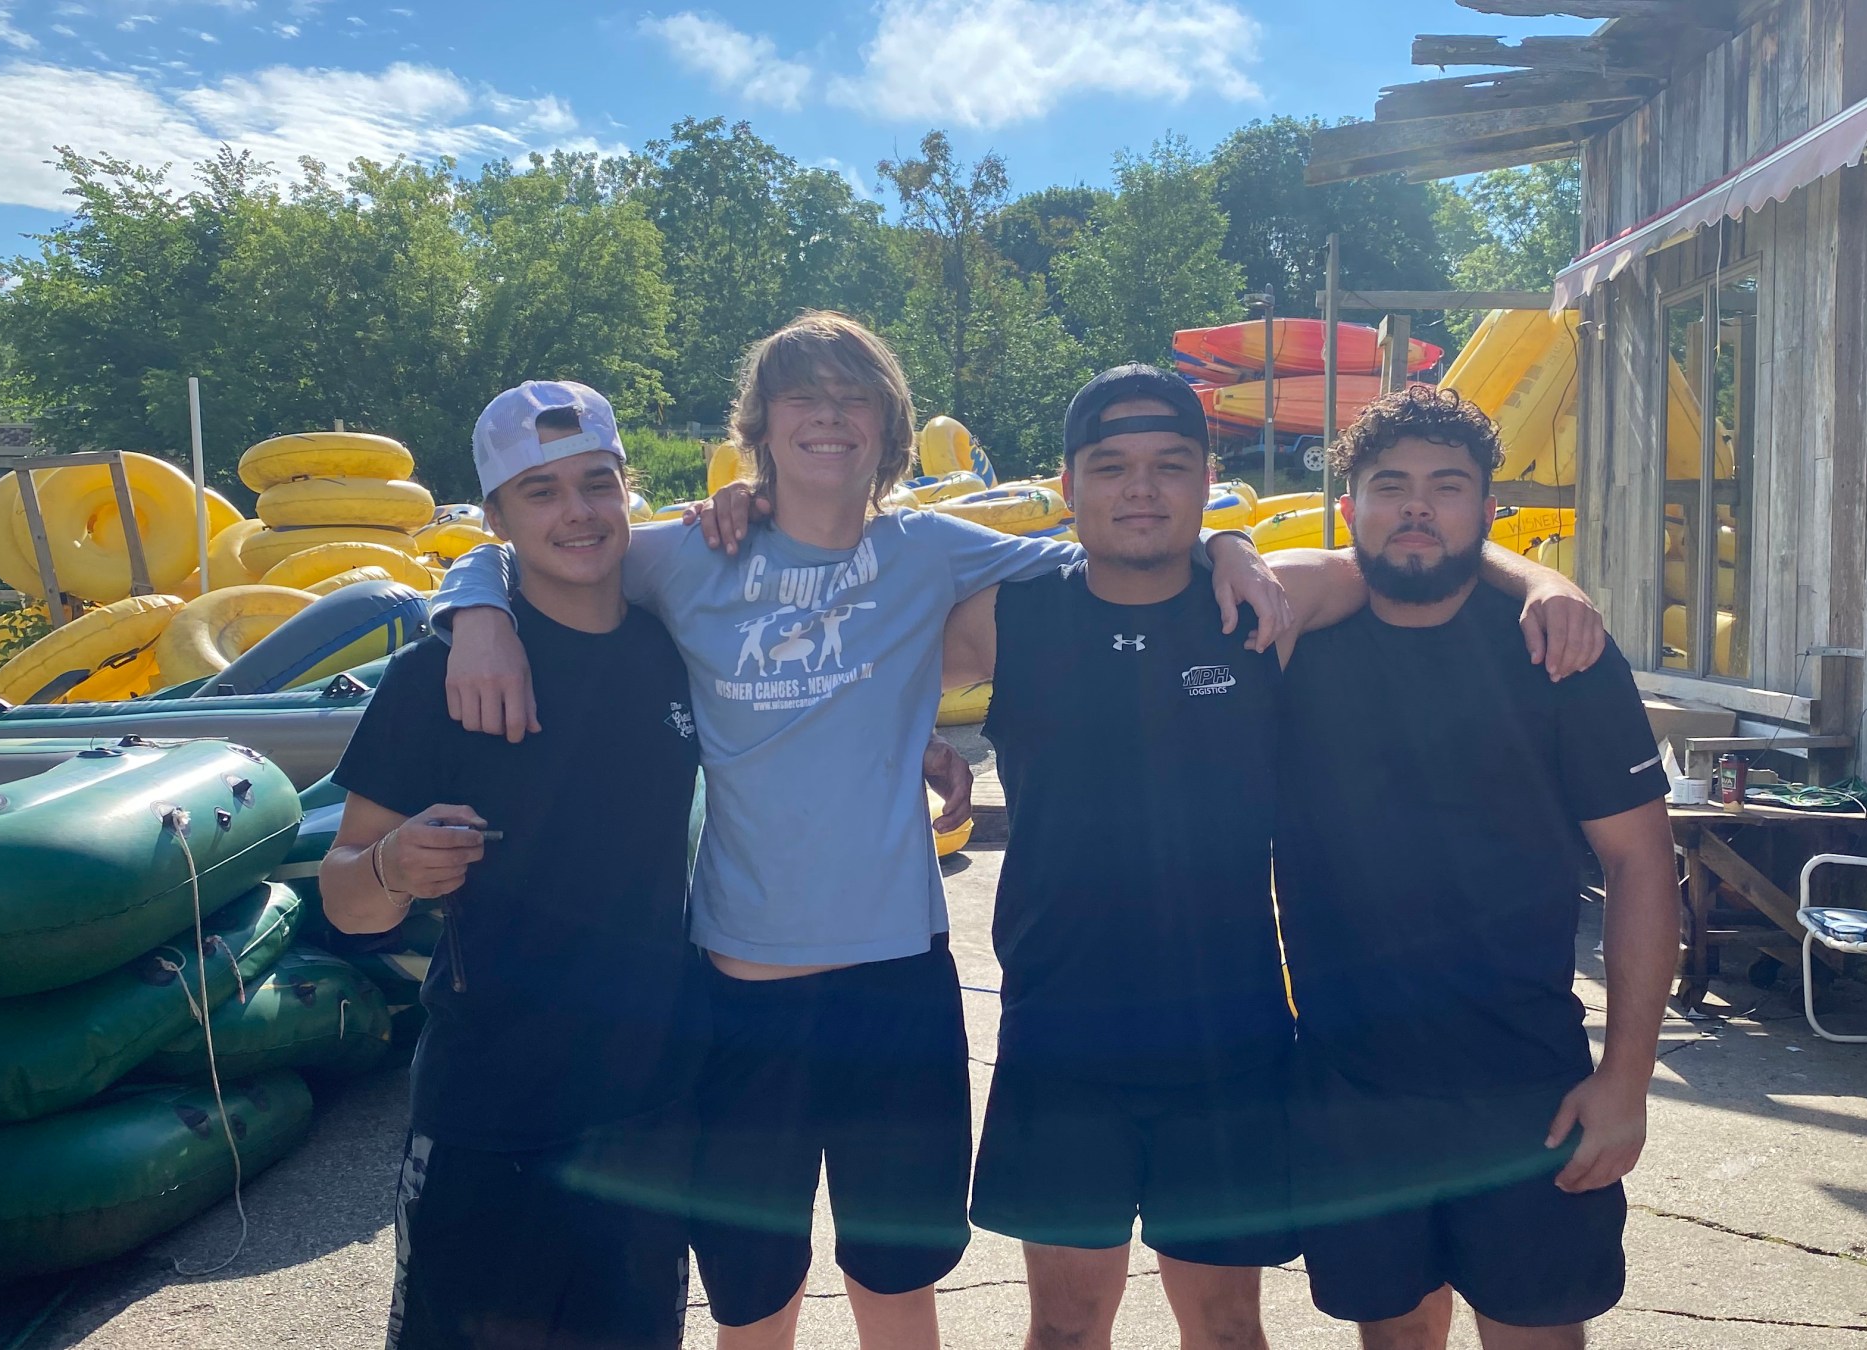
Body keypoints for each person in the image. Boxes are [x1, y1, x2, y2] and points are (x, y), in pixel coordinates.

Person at [431, 315, 1291, 1350]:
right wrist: (473, 607)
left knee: (896, 1281)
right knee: (754, 1295)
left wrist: (1229, 541)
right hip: (741, 989)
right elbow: (531, 553)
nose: (829, 416)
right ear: (758, 427)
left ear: (890, 428)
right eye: (803, 396)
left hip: (898, 983)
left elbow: (1119, 541)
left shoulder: (930, 549)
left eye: (855, 398)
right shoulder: (691, 555)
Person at [931, 366, 1607, 1350]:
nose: (1141, 488)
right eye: (1111, 467)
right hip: (1061, 1031)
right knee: (1067, 1326)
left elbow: (1419, 554)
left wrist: (1547, 577)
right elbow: (870, 650)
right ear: (1068, 484)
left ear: (1208, 477)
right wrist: (913, 732)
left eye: (1170, 466)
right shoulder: (1009, 617)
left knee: (1226, 1326)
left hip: (1228, 1036)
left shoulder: (1270, 602)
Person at [1273, 386, 1680, 1350]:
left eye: (1447, 488)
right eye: (1391, 486)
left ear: (1487, 512)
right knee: (1396, 1335)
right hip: (1348, 1079)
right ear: (1350, 512)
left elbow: (1641, 868)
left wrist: (1628, 1081)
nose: (1417, 508)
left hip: (1524, 1079)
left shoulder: (1561, 653)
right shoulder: (1290, 645)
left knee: (1534, 1332)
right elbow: (1217, 574)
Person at [320, 380, 702, 1350]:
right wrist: (397, 868)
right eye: (539, 492)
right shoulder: (434, 680)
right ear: (494, 516)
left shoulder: (678, 651)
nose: (577, 512)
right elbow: (343, 898)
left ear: (629, 491)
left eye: (596, 483)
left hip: (647, 1116)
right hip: (489, 1119)